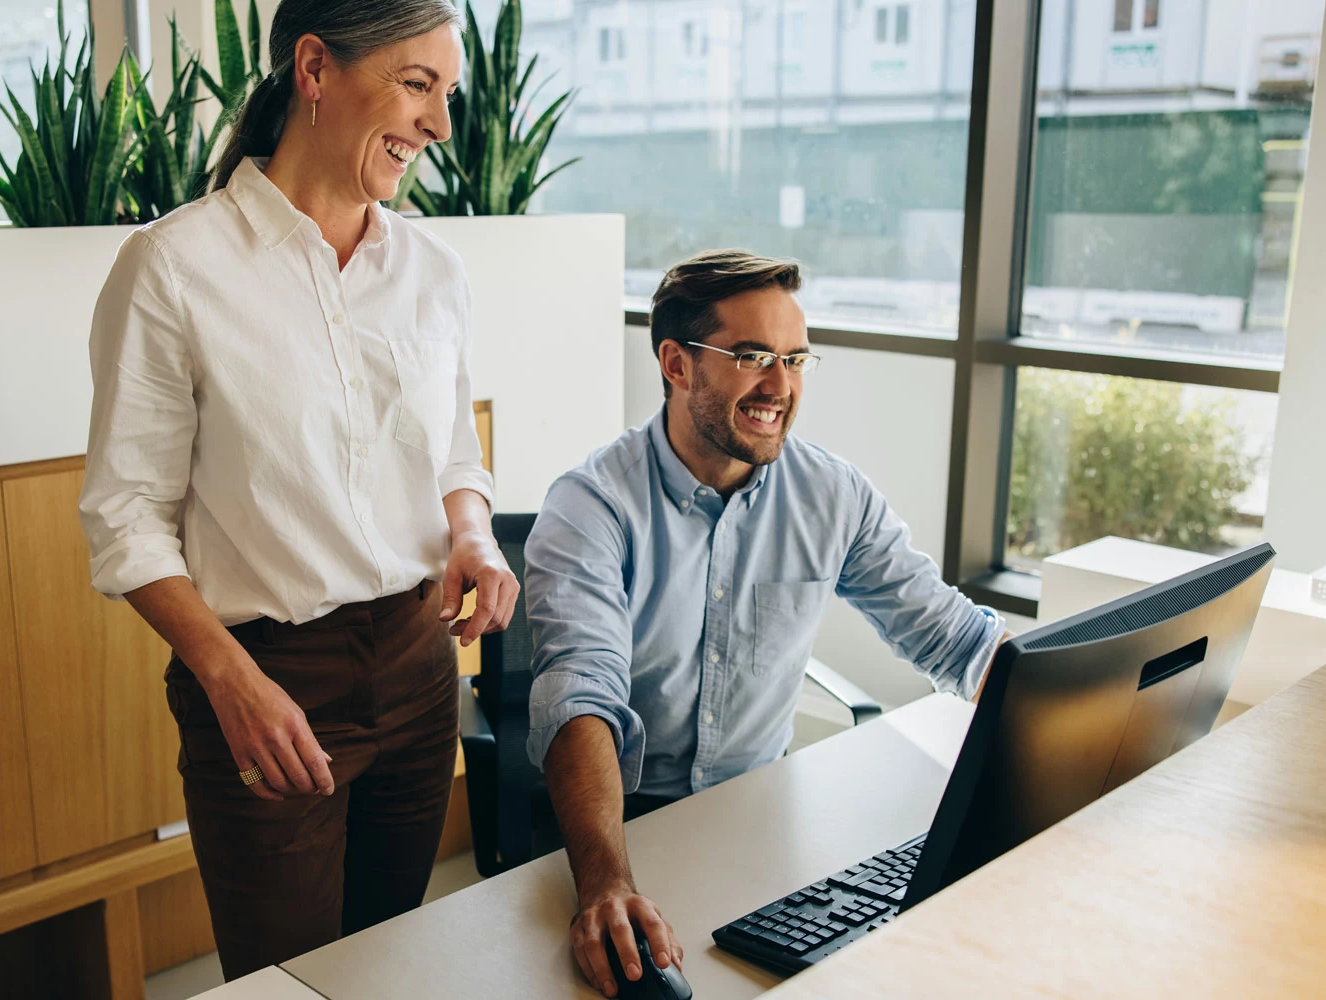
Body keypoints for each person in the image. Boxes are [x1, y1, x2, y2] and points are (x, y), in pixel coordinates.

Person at [78, 0, 518, 980]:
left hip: (416, 664)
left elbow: (452, 455)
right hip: (268, 676)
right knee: (288, 979)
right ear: (315, 69)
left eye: (447, 93)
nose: (440, 126)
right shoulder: (173, 268)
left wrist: (475, 536)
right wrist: (229, 680)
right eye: (417, 85)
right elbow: (124, 519)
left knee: (388, 959)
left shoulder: (434, 271)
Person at [524, 250, 1006, 997]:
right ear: (677, 365)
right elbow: (580, 693)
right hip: (626, 829)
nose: (781, 387)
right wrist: (607, 885)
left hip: (763, 818)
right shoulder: (591, 508)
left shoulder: (832, 494)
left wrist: (1074, 723)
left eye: (795, 359)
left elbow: (957, 639)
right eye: (752, 358)